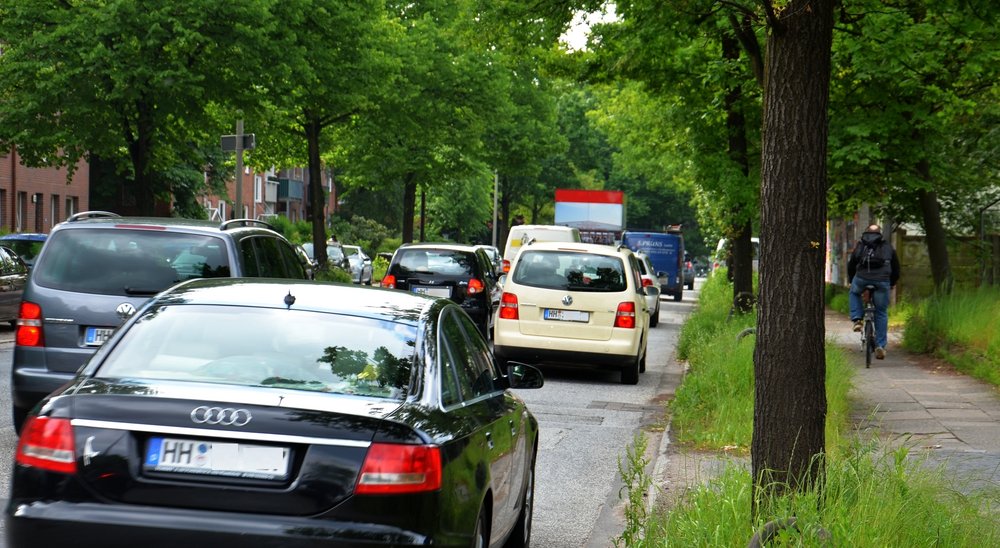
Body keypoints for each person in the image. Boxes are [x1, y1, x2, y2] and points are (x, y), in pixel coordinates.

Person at [847, 224, 900, 360]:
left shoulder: (861, 245)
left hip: (862, 278)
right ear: (880, 235)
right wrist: (892, 283)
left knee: (854, 292)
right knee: (881, 312)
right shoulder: (887, 246)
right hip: (882, 280)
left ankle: (857, 319)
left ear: (865, 233)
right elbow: (896, 267)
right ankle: (880, 346)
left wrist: (851, 280)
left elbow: (852, 264)